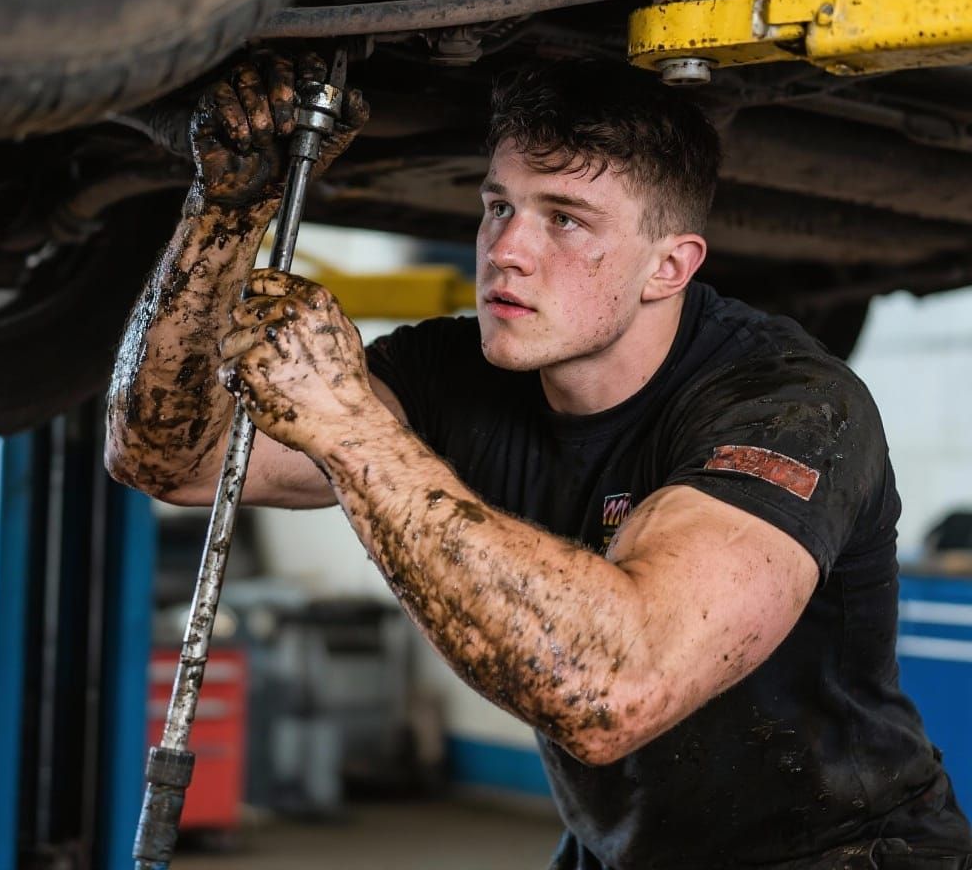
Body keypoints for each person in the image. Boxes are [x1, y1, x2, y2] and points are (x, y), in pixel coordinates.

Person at [107, 53, 972, 869]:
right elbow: (170, 456)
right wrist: (225, 209)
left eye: (565, 218)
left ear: (669, 266)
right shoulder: (455, 374)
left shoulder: (791, 405)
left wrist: (349, 427)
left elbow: (612, 691)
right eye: (498, 207)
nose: (507, 251)